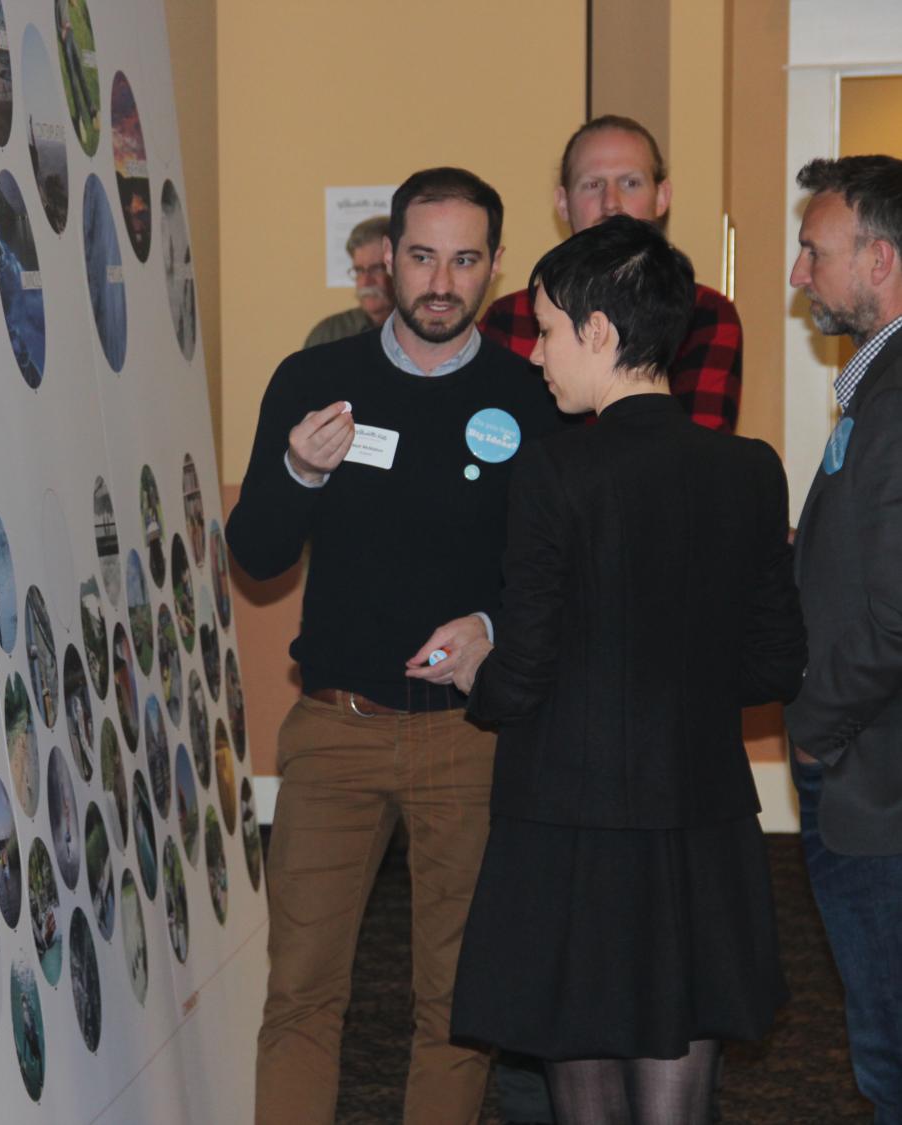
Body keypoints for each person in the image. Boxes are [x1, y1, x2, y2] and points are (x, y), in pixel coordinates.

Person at [436, 216, 805, 1124]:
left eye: (550, 330)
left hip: (570, 818)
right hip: (701, 808)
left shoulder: (557, 472)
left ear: (600, 333)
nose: (537, 356)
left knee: (587, 1078)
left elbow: (521, 675)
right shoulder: (751, 470)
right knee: (679, 1078)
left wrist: (474, 669)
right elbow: (774, 661)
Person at [229, 166, 563, 1125]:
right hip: (335, 729)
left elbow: (553, 570)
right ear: (387, 258)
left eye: (464, 260)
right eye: (422, 257)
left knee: (458, 1006)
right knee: (300, 992)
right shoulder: (315, 380)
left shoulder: (530, 394)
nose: (440, 283)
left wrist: (493, 627)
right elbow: (254, 556)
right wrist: (297, 467)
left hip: (471, 737)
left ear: (496, 267)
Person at [785, 154, 902, 1123]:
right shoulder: (878, 390)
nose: (797, 273)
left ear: (882, 261)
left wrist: (819, 726)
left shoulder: (898, 399)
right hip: (870, 762)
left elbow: (898, 608)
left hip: (876, 774)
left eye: (813, 250)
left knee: (889, 1043)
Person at [480, 114, 742, 434]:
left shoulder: (703, 314)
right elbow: (499, 436)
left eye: (630, 183)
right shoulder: (512, 317)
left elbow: (698, 451)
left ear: (662, 197)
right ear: (563, 204)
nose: (611, 204)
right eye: (593, 185)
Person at [305, 215, 396, 348]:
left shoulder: (422, 329)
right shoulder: (329, 334)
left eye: (376, 269)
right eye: (359, 270)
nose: (365, 282)